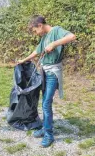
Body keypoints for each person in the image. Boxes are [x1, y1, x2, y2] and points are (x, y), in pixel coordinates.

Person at [17, 15, 76, 147]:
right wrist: (23, 60)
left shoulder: (56, 30)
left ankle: (49, 134)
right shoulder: (44, 38)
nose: (35, 34)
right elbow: (36, 52)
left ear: (40, 25)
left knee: (46, 103)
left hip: (53, 74)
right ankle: (45, 127)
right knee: (44, 102)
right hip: (44, 72)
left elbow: (72, 36)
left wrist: (54, 43)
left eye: (35, 30)